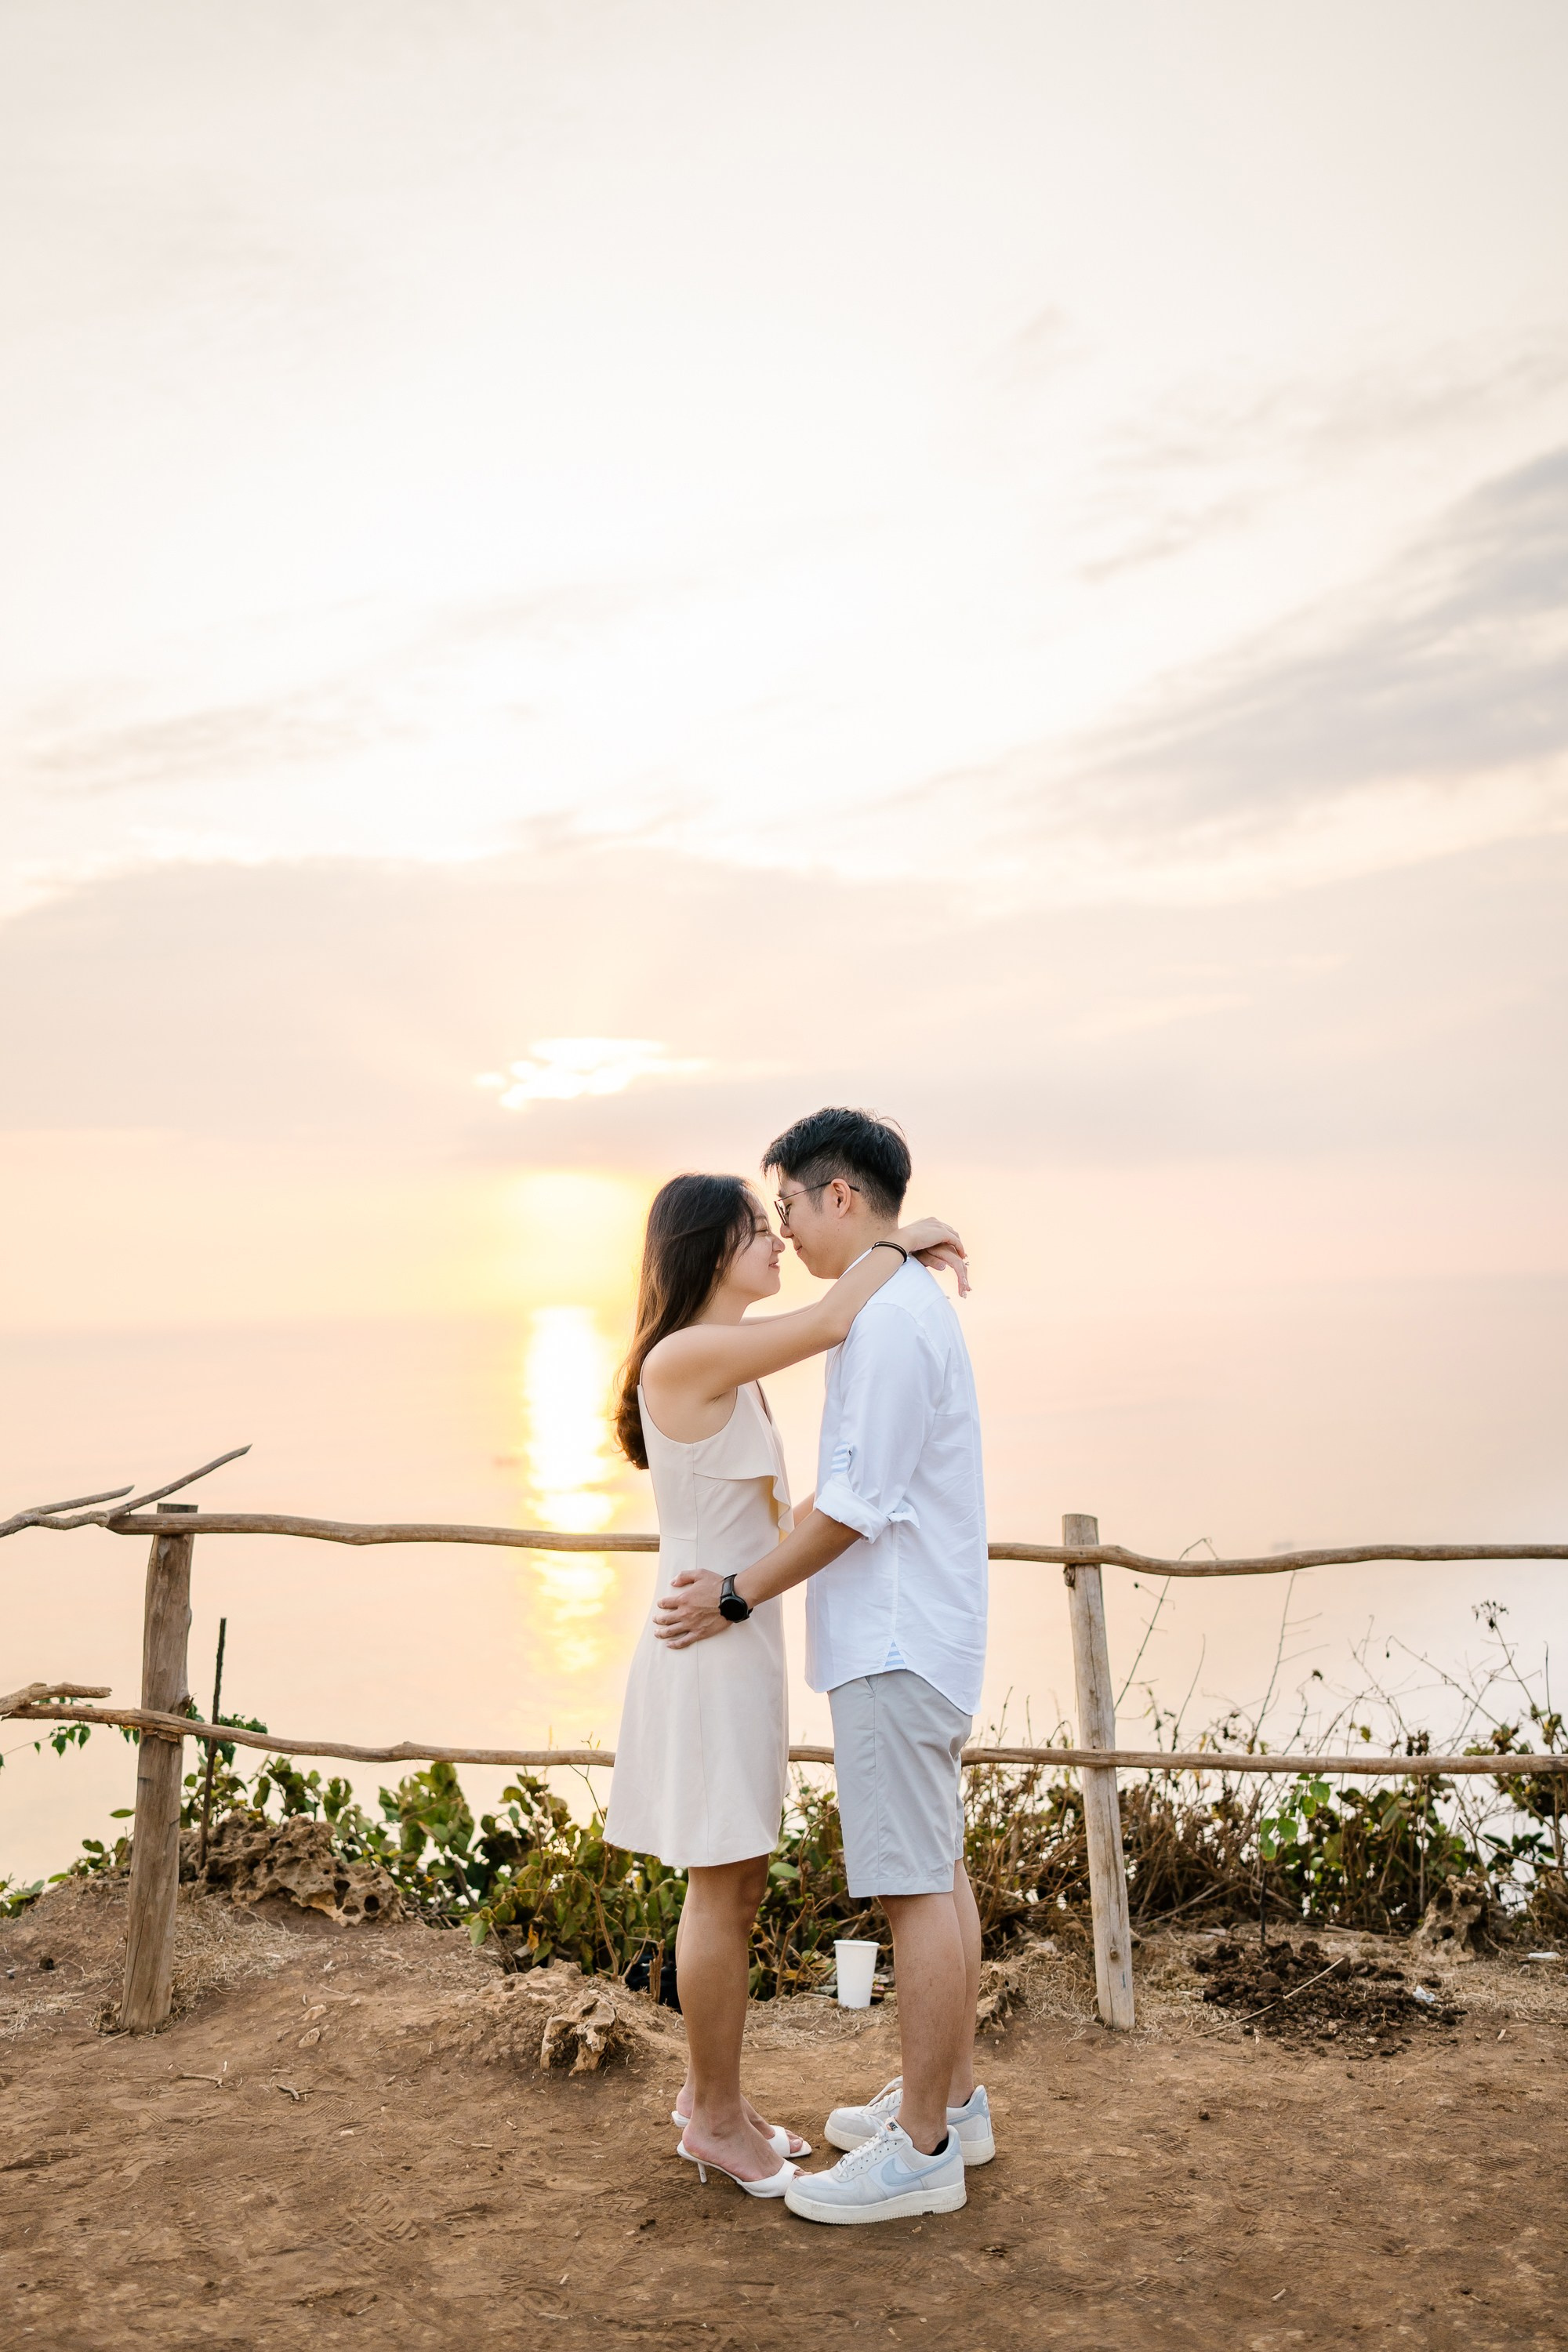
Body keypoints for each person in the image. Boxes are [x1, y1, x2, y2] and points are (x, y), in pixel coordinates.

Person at [655, 1107, 990, 2226]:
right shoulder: (862, 1316)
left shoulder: (887, 1322)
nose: (783, 1230)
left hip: (869, 1634)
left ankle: (927, 2141)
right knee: (913, 1873)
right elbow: (826, 1465)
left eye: (788, 1205)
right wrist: (908, 1238)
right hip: (749, 1638)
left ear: (836, 1196)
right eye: (760, 1221)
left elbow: (847, 1503)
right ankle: (935, 2102)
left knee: (914, 1882)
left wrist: (746, 1589)